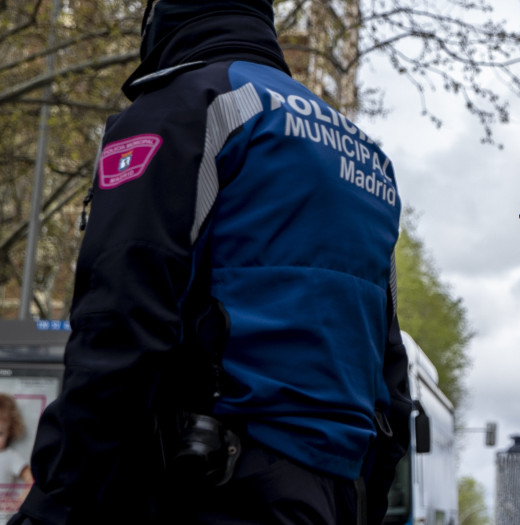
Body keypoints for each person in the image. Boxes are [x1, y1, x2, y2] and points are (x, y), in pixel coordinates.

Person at [9, 1, 411, 523]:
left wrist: (56, 500)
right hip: (334, 495)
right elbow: (389, 372)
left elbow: (123, 319)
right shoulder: (364, 159)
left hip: (209, 487)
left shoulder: (184, 108)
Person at [0, 394, 33, 511]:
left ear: (9, 432)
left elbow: (30, 479)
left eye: (0, 433)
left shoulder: (10, 456)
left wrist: (19, 501)